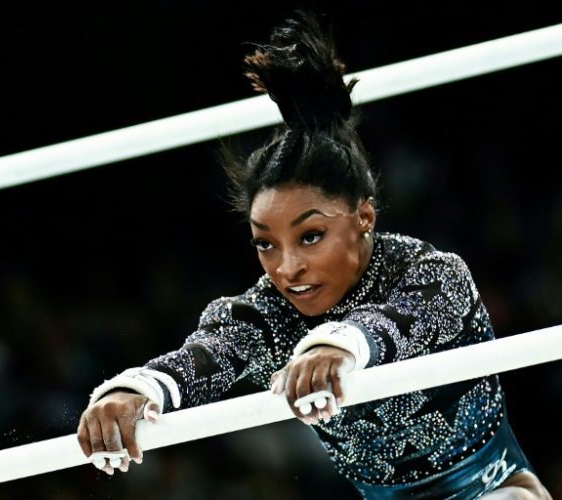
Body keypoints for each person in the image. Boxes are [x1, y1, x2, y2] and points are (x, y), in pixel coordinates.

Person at [77, 11, 551, 499]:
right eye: (266, 243)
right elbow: (204, 356)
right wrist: (135, 391)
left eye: (310, 237)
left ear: (363, 217)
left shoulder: (434, 276)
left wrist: (337, 347)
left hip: (493, 481)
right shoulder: (266, 316)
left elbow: (390, 323)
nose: (287, 268)